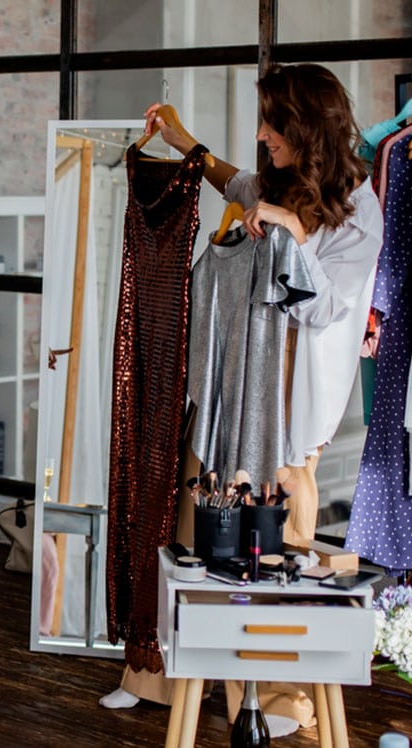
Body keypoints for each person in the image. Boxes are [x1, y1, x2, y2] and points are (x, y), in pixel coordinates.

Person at [100, 63, 384, 733]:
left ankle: (273, 700)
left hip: (289, 407)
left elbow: (330, 311)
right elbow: (238, 182)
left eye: (272, 122)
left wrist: (287, 224)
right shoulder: (280, 182)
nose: (262, 133)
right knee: (192, 533)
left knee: (269, 560)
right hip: (233, 385)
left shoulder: (359, 209)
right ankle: (158, 679)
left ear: (304, 126)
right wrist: (182, 142)